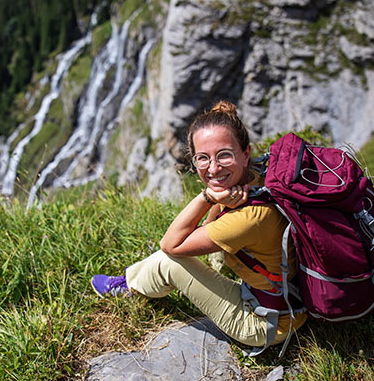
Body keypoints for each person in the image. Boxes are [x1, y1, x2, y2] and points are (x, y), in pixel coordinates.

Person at [91, 100, 307, 352]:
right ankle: (136, 279)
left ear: (245, 152)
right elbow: (210, 224)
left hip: (265, 323)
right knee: (207, 241)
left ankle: (128, 286)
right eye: (202, 158)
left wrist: (206, 197)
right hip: (285, 297)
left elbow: (170, 245)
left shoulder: (249, 218)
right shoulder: (258, 174)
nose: (213, 168)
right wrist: (219, 196)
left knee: (169, 261)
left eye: (224, 155)